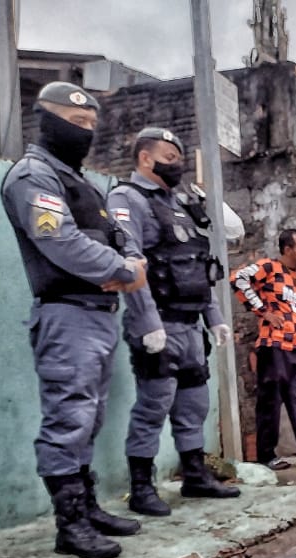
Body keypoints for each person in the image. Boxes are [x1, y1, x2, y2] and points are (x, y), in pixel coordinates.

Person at [1, 81, 149, 558]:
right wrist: (121, 270)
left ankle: (86, 507)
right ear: (46, 120)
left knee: (91, 416)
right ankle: (69, 526)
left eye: (90, 124)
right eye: (75, 122)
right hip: (67, 315)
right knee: (69, 417)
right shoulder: (33, 177)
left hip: (99, 315)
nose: (84, 132)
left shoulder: (83, 182)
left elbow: (119, 234)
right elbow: (59, 241)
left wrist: (130, 261)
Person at [108, 127, 240, 515]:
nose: (176, 163)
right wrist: (148, 323)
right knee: (153, 405)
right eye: (168, 156)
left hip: (189, 325)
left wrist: (214, 317)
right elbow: (132, 264)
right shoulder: (126, 199)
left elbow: (199, 268)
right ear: (145, 159)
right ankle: (141, 487)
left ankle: (196, 475)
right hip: (158, 323)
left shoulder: (181, 203)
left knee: (193, 404)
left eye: (179, 156)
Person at [231, 229, 296, 470]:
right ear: (287, 250)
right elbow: (237, 278)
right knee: (270, 403)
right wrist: (263, 311)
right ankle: (266, 455)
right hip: (274, 346)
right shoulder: (269, 267)